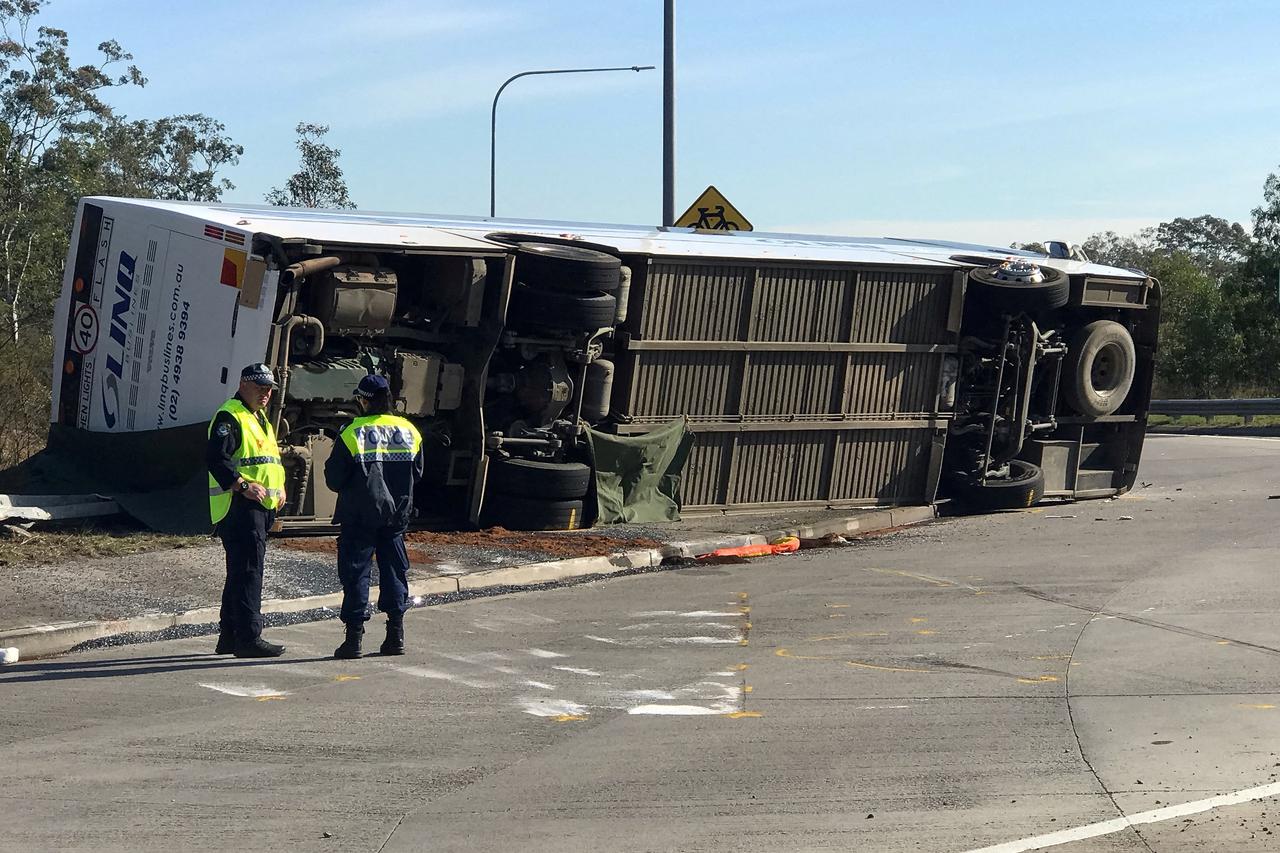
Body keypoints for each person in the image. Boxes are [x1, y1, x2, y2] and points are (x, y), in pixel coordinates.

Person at [324, 374, 425, 659]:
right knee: (394, 572)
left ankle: (353, 640)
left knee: (356, 574)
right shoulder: (409, 431)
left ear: (364, 400)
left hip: (359, 517)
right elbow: (417, 473)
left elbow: (334, 478)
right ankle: (395, 636)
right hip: (396, 517)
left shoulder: (352, 432)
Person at [206, 363, 288, 658]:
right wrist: (241, 485)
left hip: (260, 505)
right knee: (250, 572)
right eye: (260, 387)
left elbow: (268, 460)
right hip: (239, 505)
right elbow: (216, 459)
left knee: (240, 572)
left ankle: (229, 637)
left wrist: (279, 488)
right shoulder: (230, 415)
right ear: (243, 384)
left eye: (269, 389)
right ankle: (248, 638)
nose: (266, 393)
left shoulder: (259, 417)